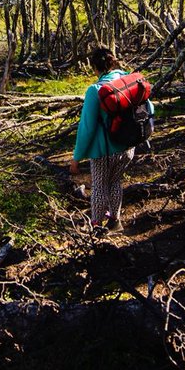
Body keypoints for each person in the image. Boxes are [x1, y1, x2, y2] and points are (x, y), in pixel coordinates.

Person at [70, 46, 150, 231]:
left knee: (99, 186)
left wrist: (76, 158)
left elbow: (87, 128)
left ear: (95, 68)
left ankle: (96, 226)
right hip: (128, 146)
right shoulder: (129, 80)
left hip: (104, 150)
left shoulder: (95, 90)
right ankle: (115, 220)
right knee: (115, 182)